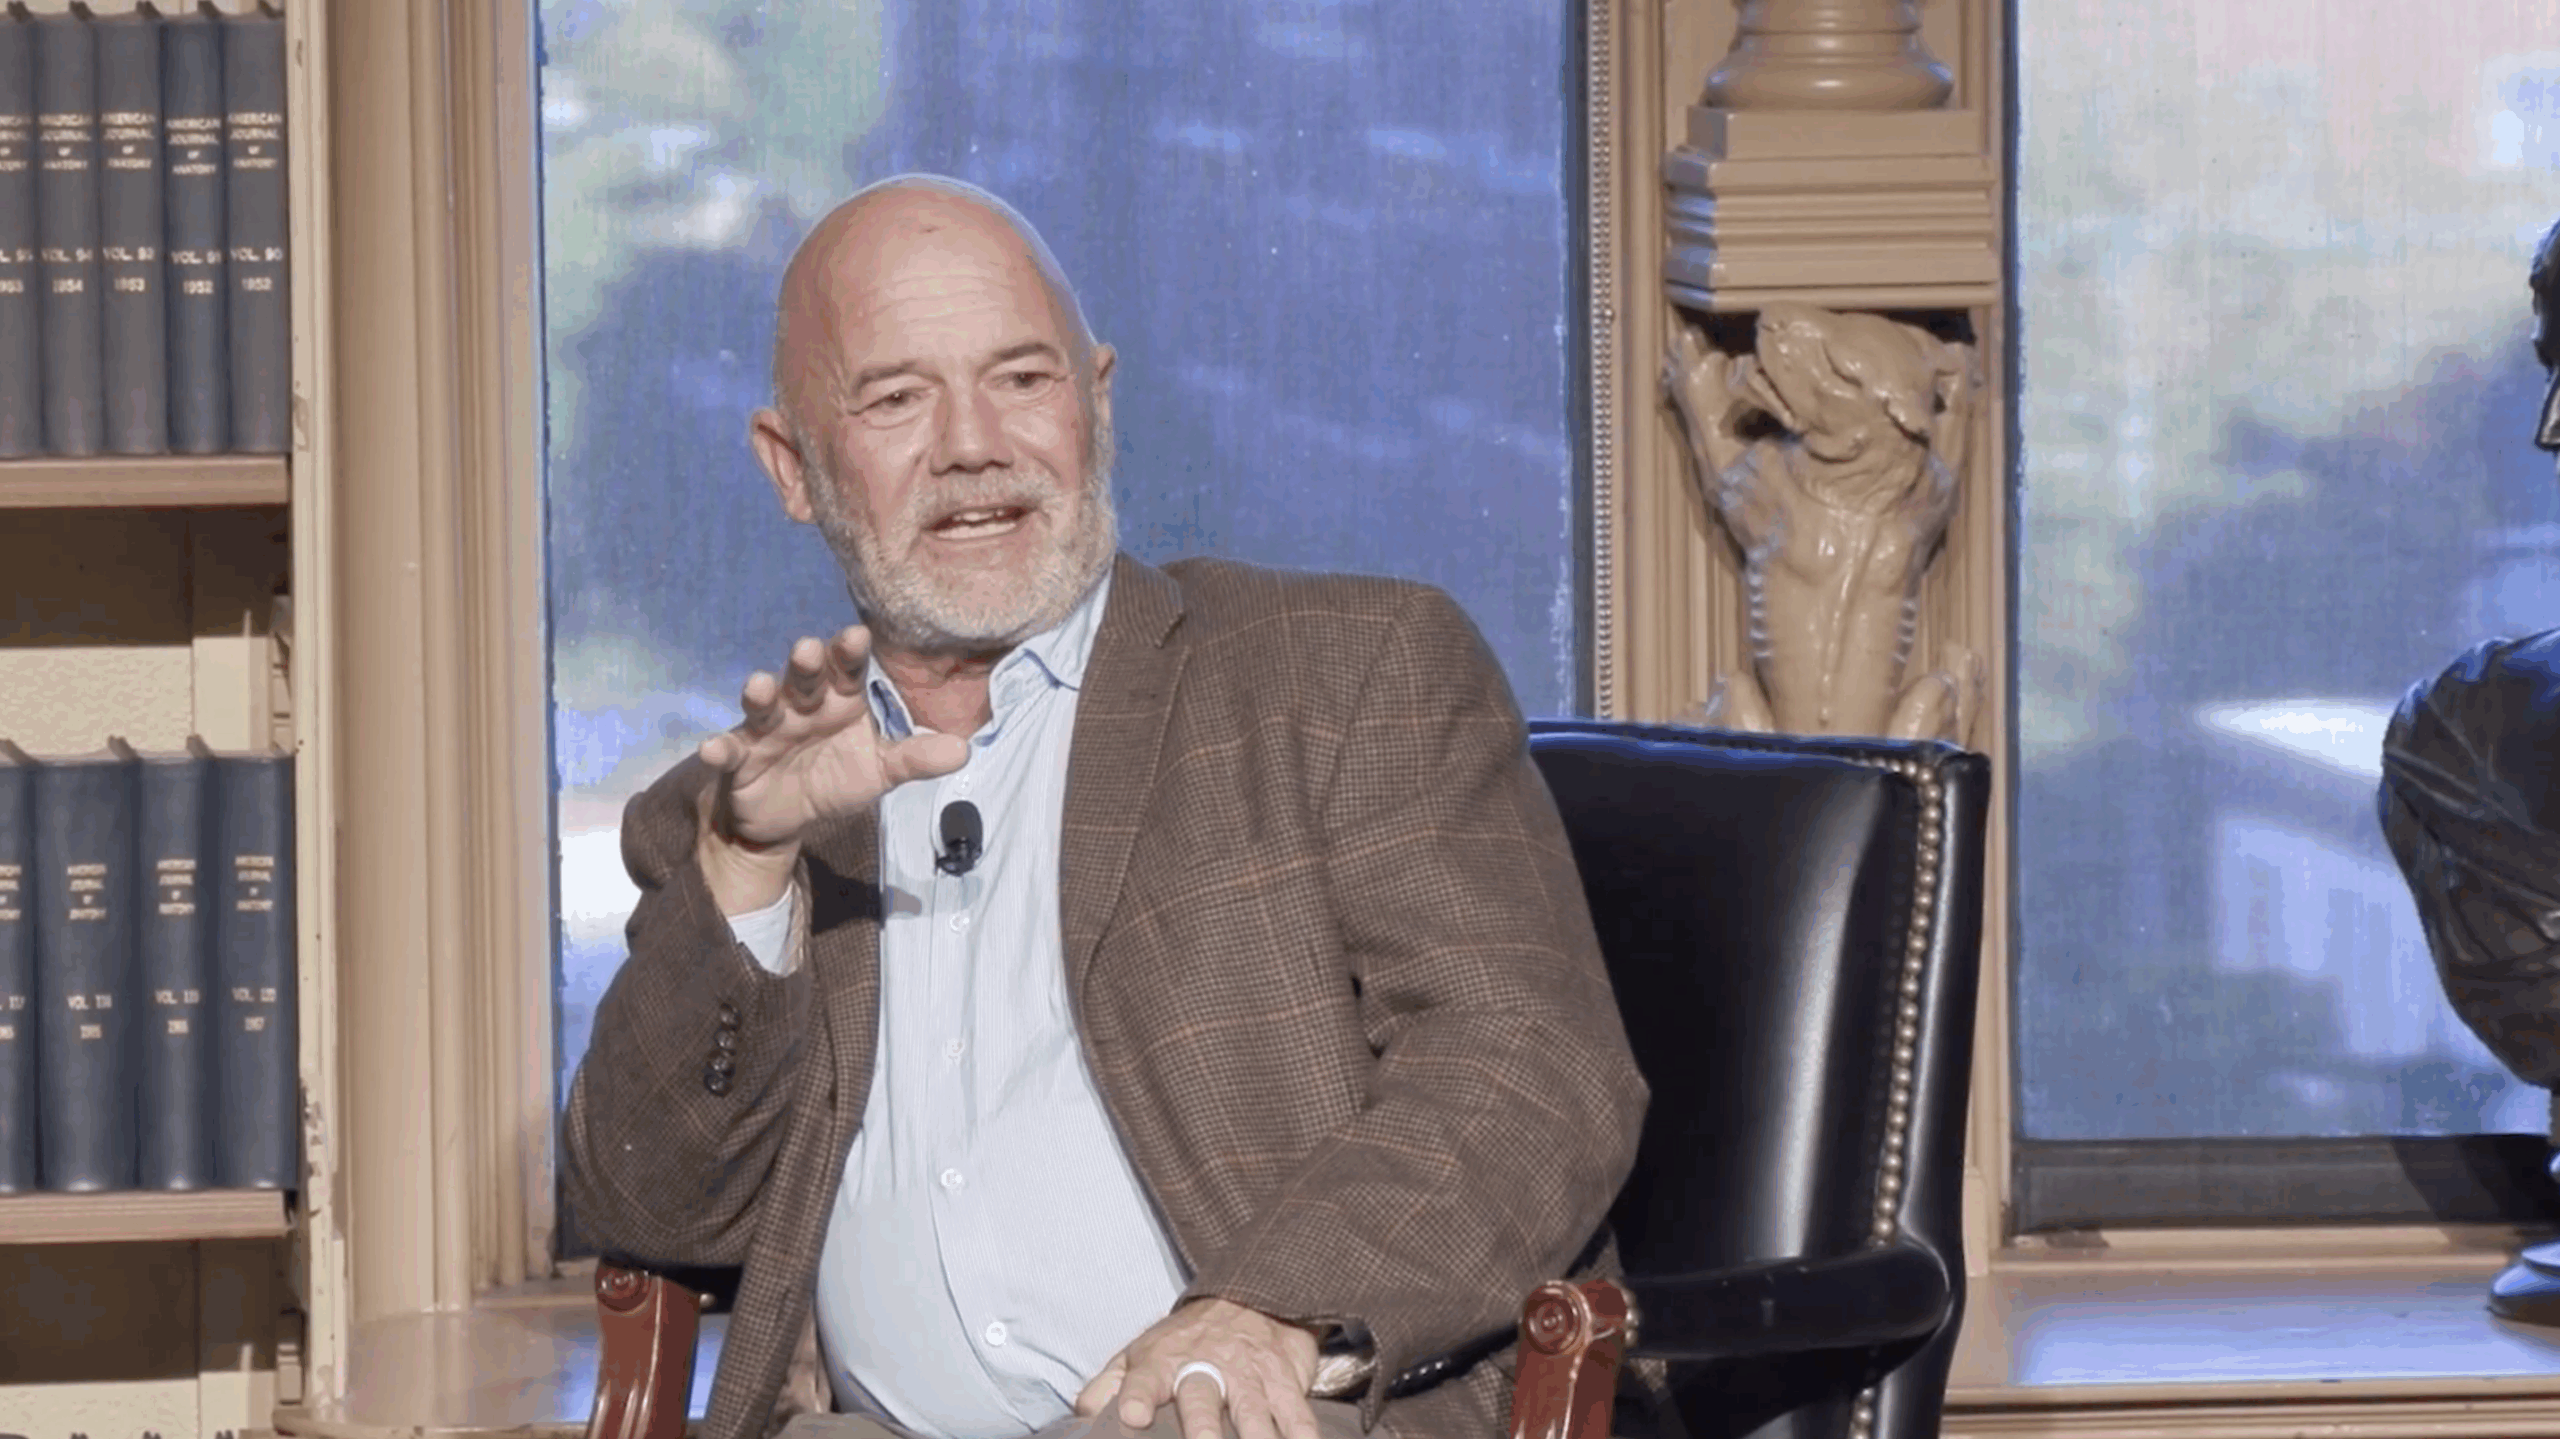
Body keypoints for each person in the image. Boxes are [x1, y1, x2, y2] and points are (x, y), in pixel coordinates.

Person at [560, 174, 1648, 1439]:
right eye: (898, 397)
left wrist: (1271, 1311)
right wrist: (746, 875)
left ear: (1098, 402)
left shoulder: (1345, 673)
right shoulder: (736, 810)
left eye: (1021, 379)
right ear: (791, 466)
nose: (974, 444)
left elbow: (1531, 1065)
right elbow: (653, 1209)